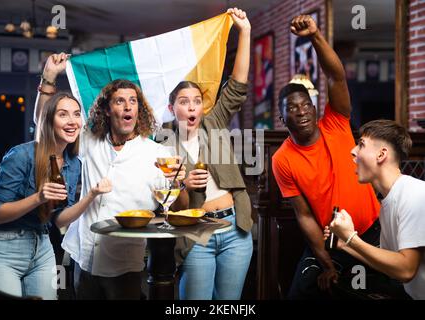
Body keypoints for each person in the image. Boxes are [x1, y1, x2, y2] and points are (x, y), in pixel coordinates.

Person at [34, 54, 187, 300]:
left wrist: (180, 184)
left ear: (139, 109)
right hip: (82, 257)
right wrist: (49, 77)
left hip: (124, 265)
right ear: (107, 109)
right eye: (119, 101)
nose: (127, 107)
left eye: (133, 101)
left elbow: (178, 208)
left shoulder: (158, 154)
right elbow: (45, 125)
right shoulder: (89, 142)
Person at [271, 15, 381, 299]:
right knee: (300, 293)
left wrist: (315, 36)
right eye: (293, 108)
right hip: (331, 243)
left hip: (372, 233)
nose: (302, 110)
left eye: (306, 104)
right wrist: (326, 263)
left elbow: (337, 76)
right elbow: (305, 216)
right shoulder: (282, 159)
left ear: (314, 107)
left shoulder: (335, 122)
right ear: (284, 118)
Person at [165, 8, 253, 300]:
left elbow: (237, 85)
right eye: (183, 101)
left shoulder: (214, 122)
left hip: (235, 230)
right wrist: (183, 185)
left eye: (196, 101)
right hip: (196, 234)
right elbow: (169, 205)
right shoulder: (162, 144)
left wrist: (245, 31)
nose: (191, 107)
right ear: (172, 108)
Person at [0, 91, 111, 299]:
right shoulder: (21, 155)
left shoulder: (74, 163)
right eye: (63, 114)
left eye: (76, 114)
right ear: (49, 120)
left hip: (43, 248)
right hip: (5, 248)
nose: (72, 121)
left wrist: (91, 195)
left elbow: (58, 219)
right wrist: (38, 198)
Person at [325, 120, 425, 300]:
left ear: (381, 154)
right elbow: (391, 266)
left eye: (361, 144)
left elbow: (406, 269)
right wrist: (344, 244)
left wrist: (351, 238)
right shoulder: (388, 203)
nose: (353, 150)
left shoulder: (414, 193)